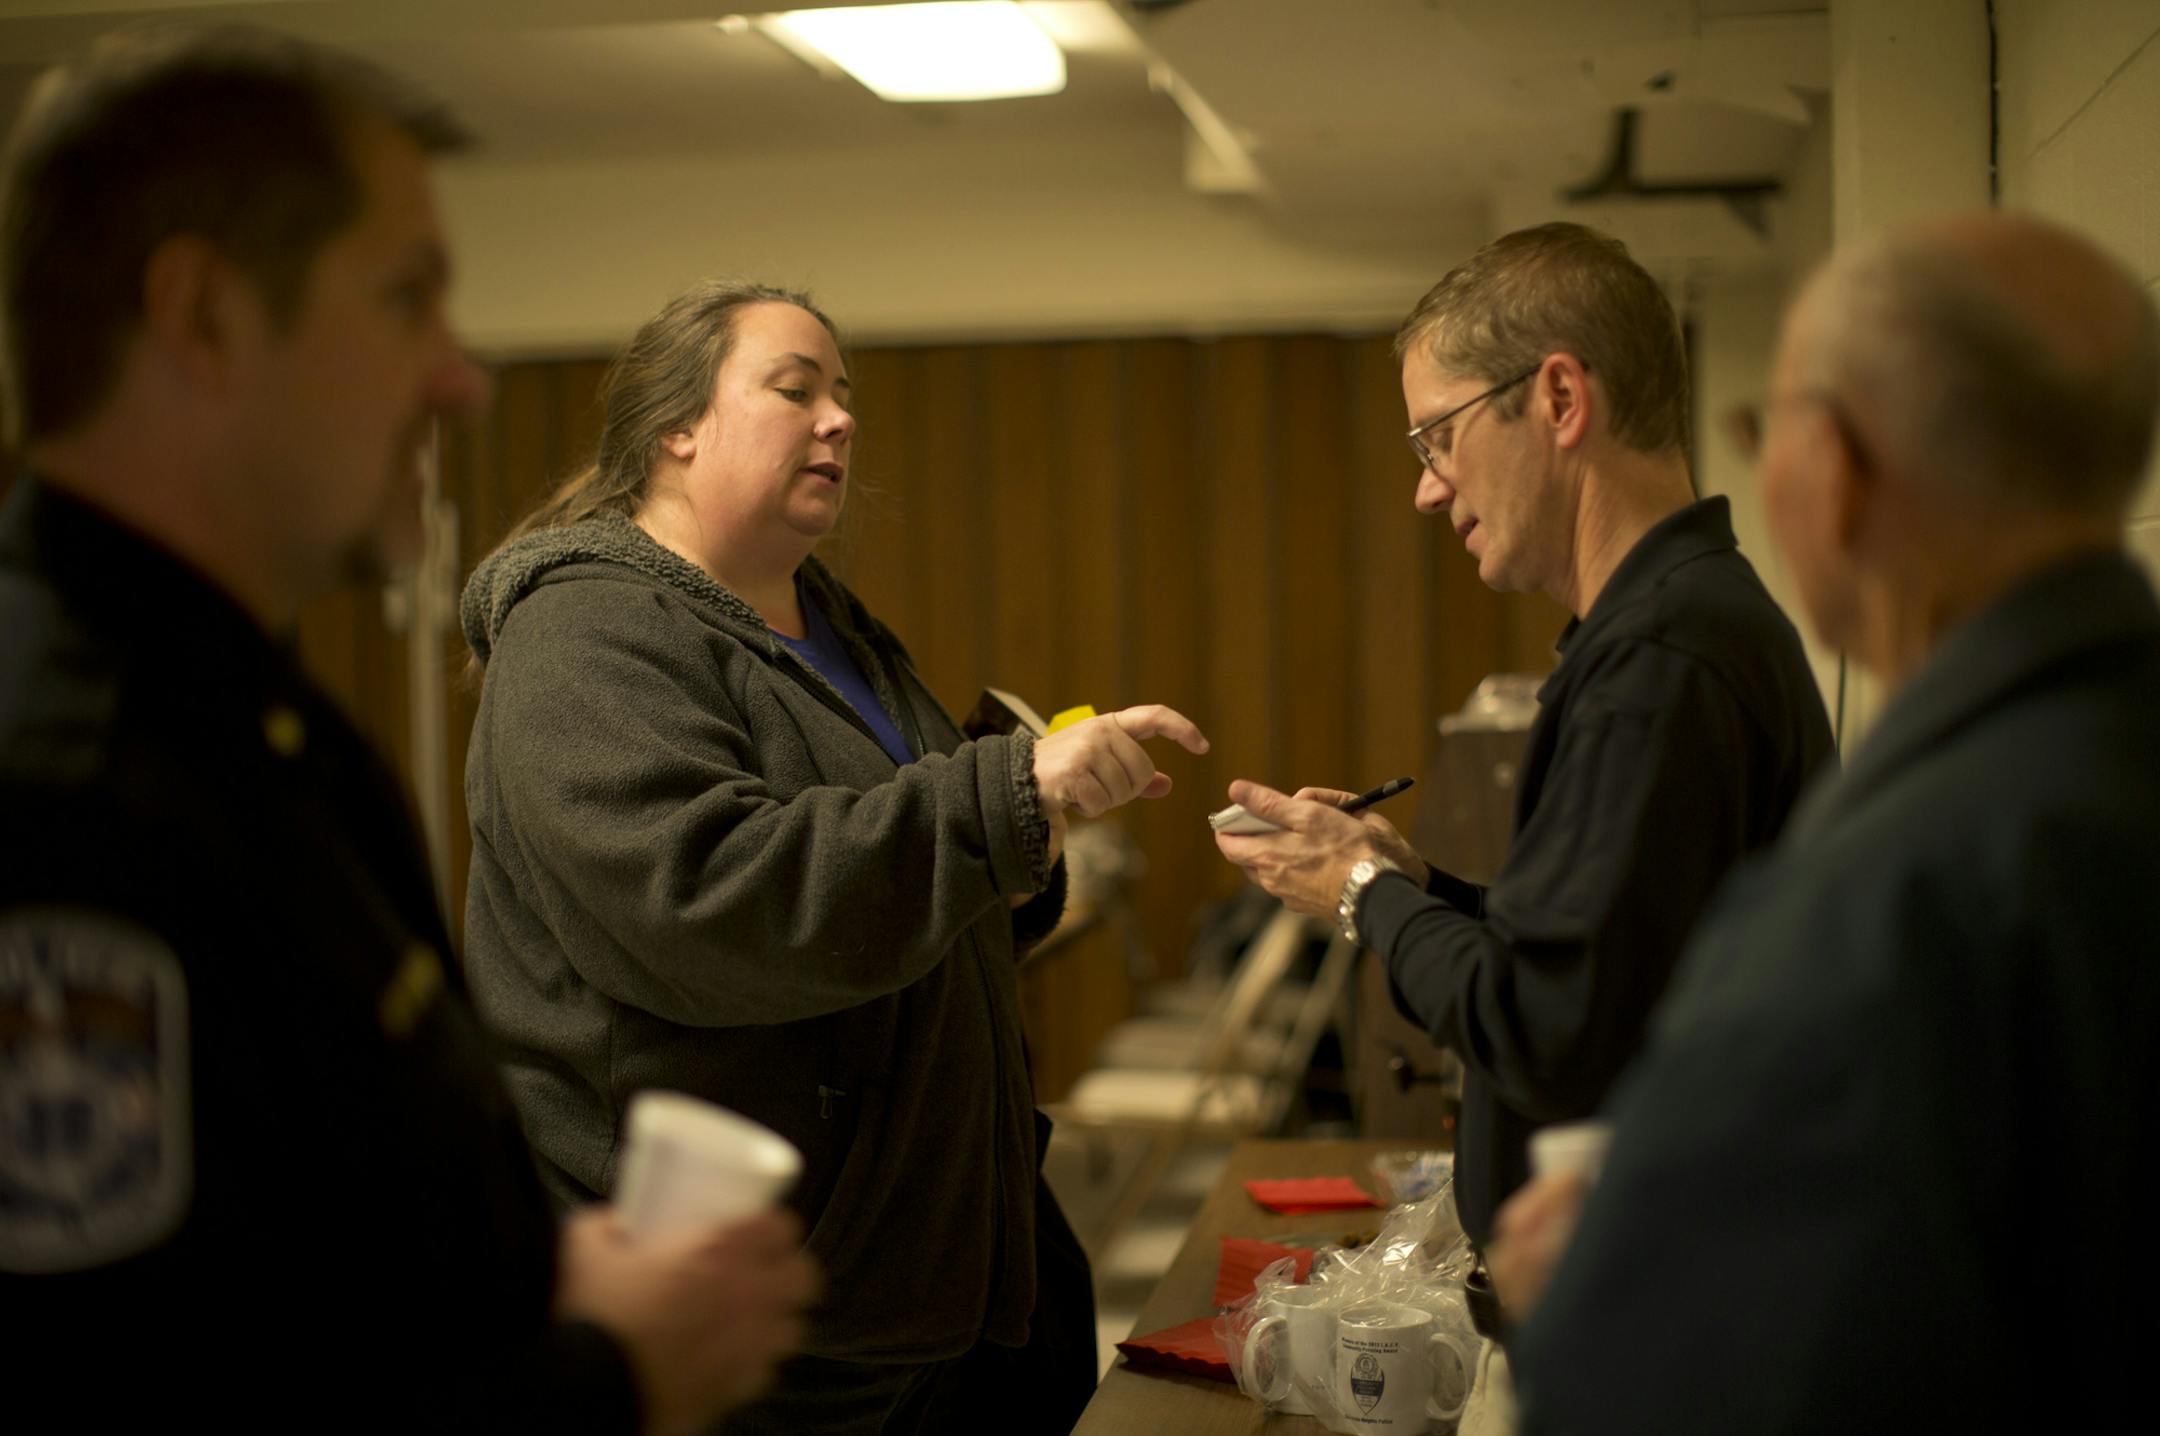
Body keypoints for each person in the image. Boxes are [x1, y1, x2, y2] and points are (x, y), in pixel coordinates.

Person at [0, 29, 812, 1432]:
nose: (461, 380)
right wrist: (610, 1381)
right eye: (404, 300)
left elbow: (283, 1263)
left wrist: (526, 1269)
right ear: (199, 318)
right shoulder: (64, 788)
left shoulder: (247, 716)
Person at [458, 279, 1209, 1433]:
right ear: (678, 426)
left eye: (844, 396)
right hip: (757, 1319)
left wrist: (1028, 832)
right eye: (794, 389)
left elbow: (907, 893)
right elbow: (711, 900)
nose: (841, 419)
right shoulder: (585, 632)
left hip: (924, 1278)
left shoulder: (827, 622)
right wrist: (1003, 793)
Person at [1492, 211, 2160, 1432]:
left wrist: (1579, 1286)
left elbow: (1703, 1381)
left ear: (1840, 468)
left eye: (1763, 431)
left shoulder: (1894, 893)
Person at [1215, 222, 1834, 1249]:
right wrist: (1409, 877)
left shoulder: (1661, 657)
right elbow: (1612, 955)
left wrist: (1365, 896)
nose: (1425, 487)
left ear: (1558, 398)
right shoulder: (1668, 625)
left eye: (1438, 438)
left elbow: (1547, 1024)